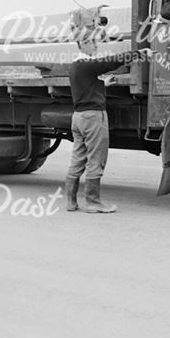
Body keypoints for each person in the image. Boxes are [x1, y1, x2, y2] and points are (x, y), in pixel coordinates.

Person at [64, 40, 149, 213]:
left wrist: (102, 84)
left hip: (78, 117)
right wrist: (138, 53)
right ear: (84, 44)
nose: (96, 46)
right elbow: (110, 61)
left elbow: (85, 88)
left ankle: (71, 202)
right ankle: (93, 202)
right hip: (93, 118)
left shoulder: (75, 67)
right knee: (97, 159)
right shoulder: (86, 65)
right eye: (93, 43)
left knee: (77, 160)